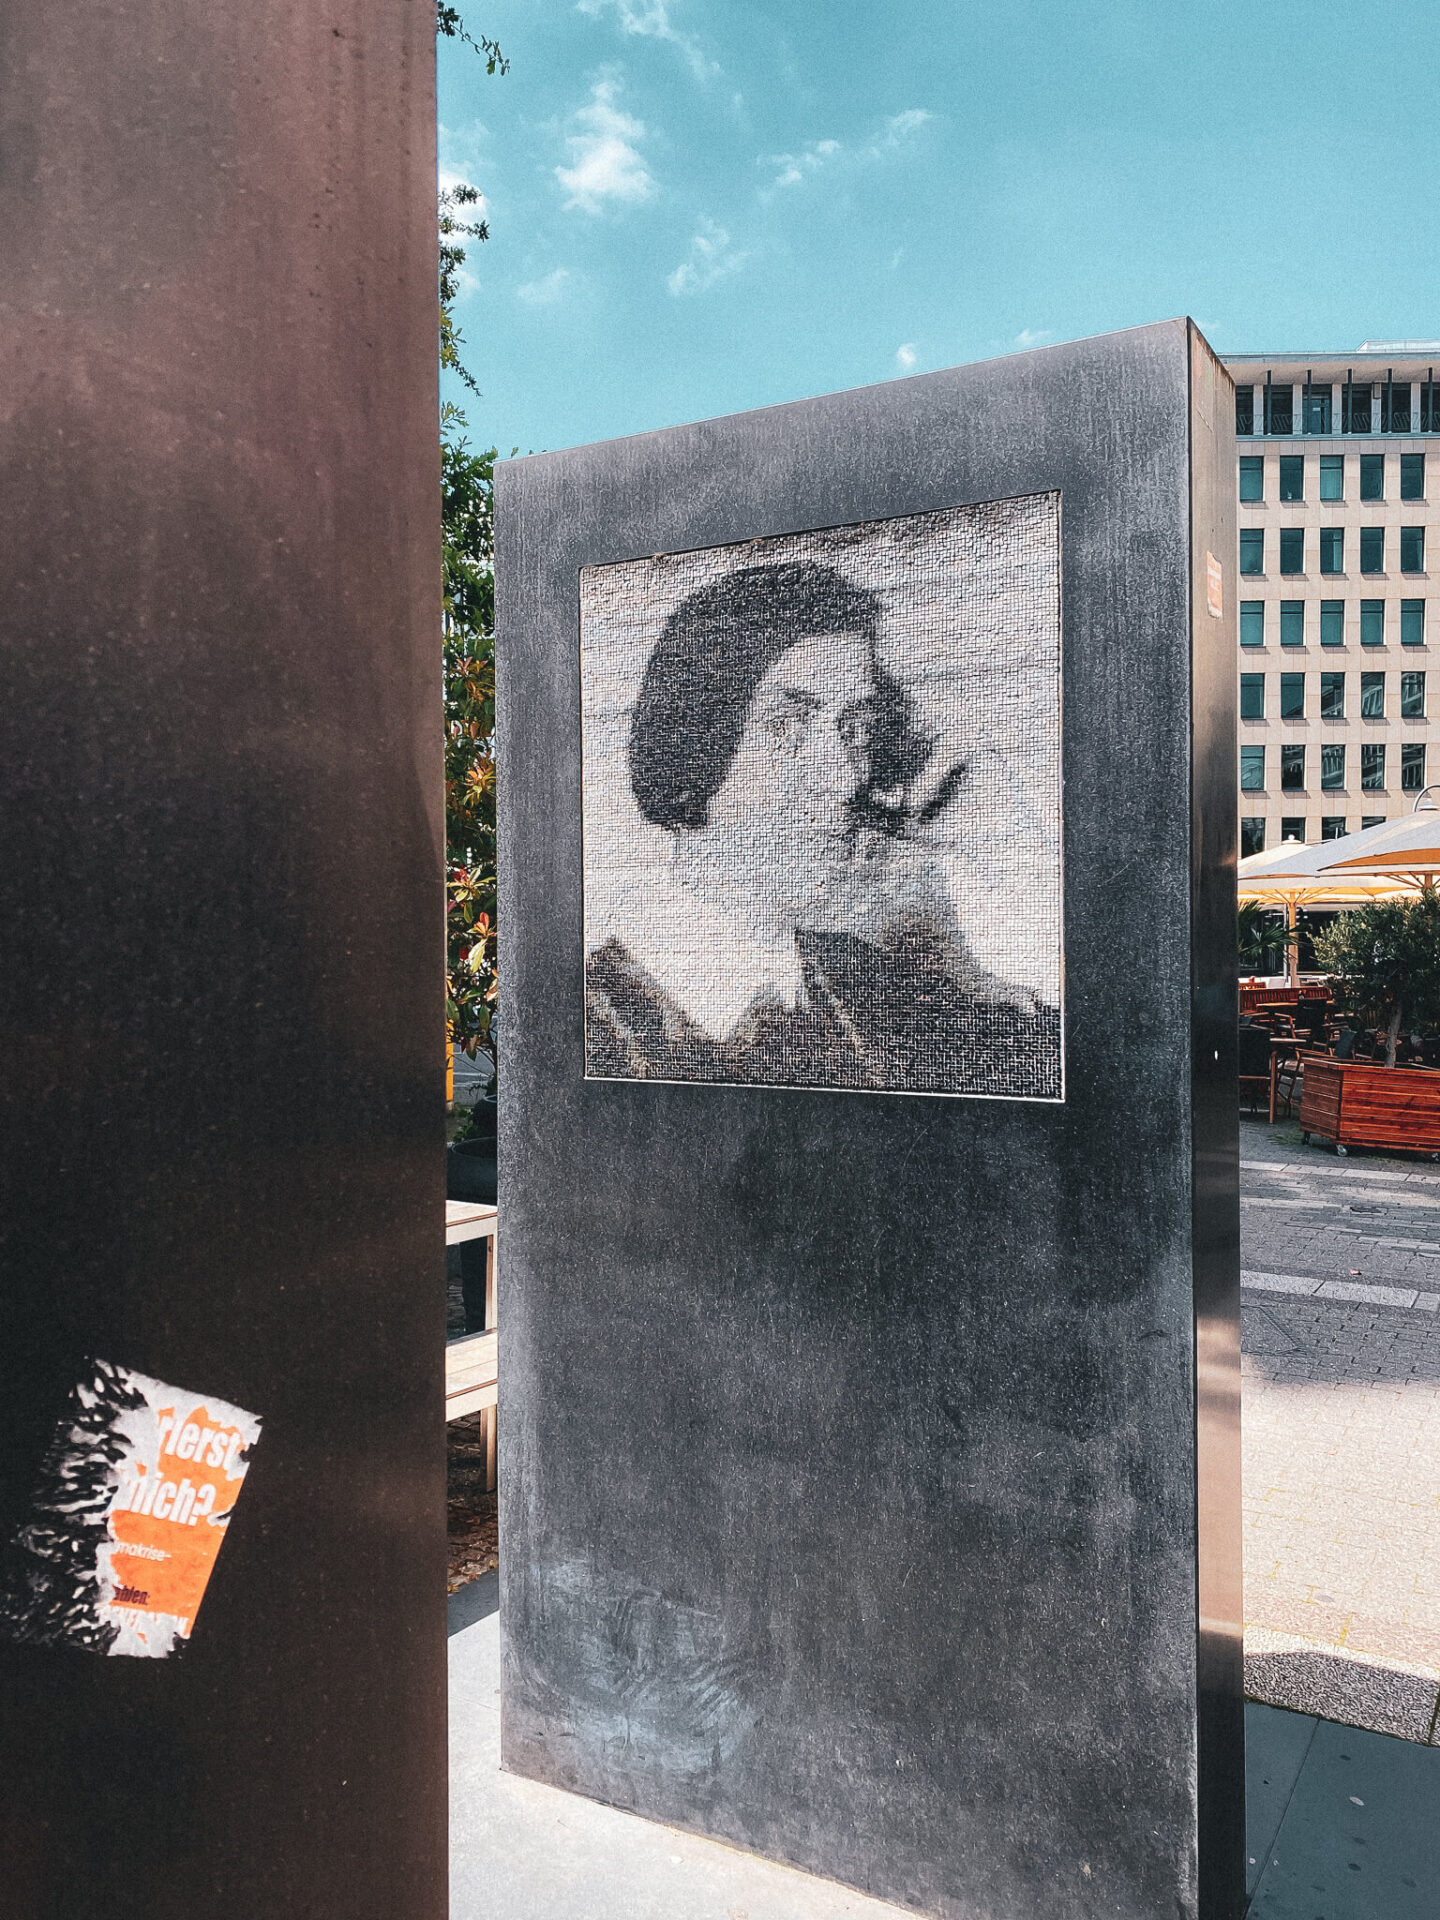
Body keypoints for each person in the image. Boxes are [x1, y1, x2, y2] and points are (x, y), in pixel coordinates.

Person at [584, 558, 1061, 1098]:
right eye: (786, 726)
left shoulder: (865, 984)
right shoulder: (600, 1021)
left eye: (854, 727)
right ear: (694, 745)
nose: (842, 778)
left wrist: (1007, 842)